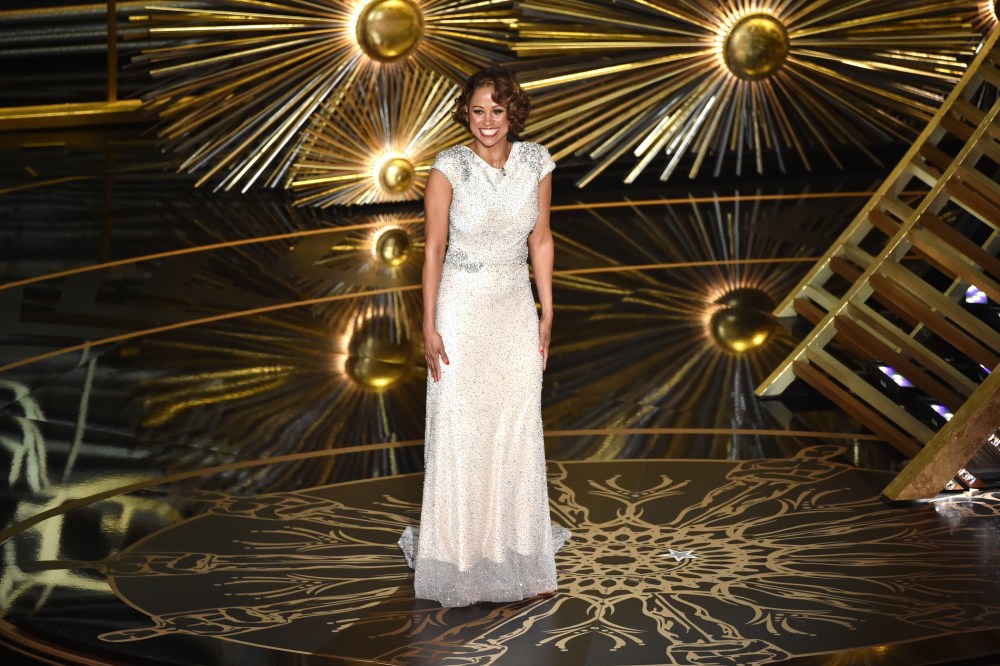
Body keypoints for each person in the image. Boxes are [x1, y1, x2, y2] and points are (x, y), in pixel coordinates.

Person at [398, 67, 569, 607]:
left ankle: (518, 547)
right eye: (477, 111)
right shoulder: (448, 168)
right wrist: (428, 324)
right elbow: (432, 250)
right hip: (463, 311)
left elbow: (541, 238)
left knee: (516, 424)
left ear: (512, 112)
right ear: (465, 114)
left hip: (515, 308)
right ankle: (460, 557)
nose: (488, 121)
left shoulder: (537, 162)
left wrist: (546, 307)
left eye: (497, 110)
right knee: (462, 430)